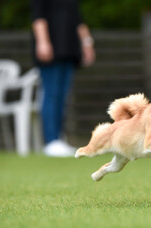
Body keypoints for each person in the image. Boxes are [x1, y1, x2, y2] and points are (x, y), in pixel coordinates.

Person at [31, 0, 95, 157]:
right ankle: (50, 140)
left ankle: (59, 139)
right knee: (51, 94)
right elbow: (38, 17)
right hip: (51, 49)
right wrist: (43, 42)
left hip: (69, 50)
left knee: (63, 95)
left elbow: (78, 20)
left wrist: (87, 44)